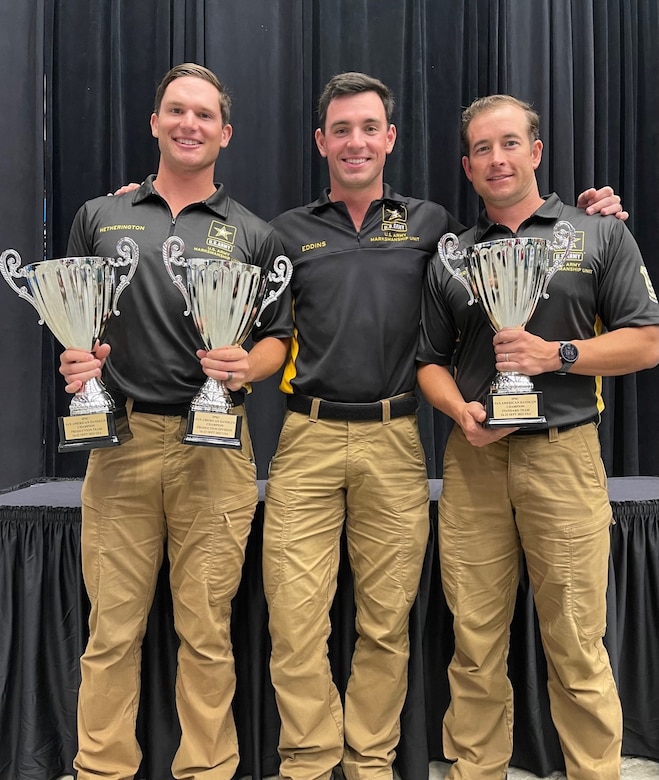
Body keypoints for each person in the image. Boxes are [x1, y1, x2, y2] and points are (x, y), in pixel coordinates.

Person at [262, 72, 628, 780]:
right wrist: (151, 214)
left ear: (391, 138)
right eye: (341, 129)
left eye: (369, 127)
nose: (355, 141)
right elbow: (270, 326)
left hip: (404, 436)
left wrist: (600, 214)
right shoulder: (286, 233)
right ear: (320, 141)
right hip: (312, 436)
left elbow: (635, 335)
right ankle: (310, 764)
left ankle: (370, 764)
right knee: (300, 622)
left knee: (389, 624)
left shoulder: (433, 227)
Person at [58, 63, 292, 780]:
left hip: (215, 450)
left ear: (225, 132)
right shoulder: (101, 215)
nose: (188, 124)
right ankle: (101, 770)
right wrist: (76, 363)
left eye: (203, 114)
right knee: (111, 634)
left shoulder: (254, 234)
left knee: (206, 633)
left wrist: (243, 367)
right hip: (120, 443)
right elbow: (73, 312)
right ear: (155, 122)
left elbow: (280, 339)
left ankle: (207, 771)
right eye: (175, 111)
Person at [416, 94, 659, 780]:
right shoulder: (451, 257)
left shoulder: (596, 234)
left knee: (577, 642)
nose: (497, 159)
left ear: (535, 152)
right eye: (482, 150)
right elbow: (428, 363)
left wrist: (558, 357)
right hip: (474, 463)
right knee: (473, 646)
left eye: (508, 143)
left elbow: (646, 343)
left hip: (564, 457)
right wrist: (460, 414)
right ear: (467, 167)